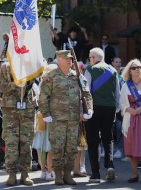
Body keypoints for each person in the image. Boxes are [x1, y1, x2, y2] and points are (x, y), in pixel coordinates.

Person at [39, 50, 93, 185]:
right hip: (57, 119)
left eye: (71, 58)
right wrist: (45, 113)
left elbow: (86, 94)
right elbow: (43, 96)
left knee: (71, 148)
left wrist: (89, 109)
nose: (70, 60)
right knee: (57, 147)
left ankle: (67, 174)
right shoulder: (51, 77)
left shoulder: (77, 76)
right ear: (59, 59)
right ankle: (57, 174)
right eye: (67, 58)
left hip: (74, 118)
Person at [0, 60, 38, 186]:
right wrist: (15, 84)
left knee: (26, 142)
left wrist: (27, 80)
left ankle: (25, 174)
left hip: (27, 109)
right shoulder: (5, 67)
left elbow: (38, 78)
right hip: (10, 111)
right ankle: (12, 174)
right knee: (11, 143)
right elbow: (0, 86)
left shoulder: (30, 65)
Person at [84, 47, 120, 183]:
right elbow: (117, 92)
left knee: (93, 141)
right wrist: (115, 109)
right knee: (108, 137)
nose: (89, 60)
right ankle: (110, 165)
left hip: (93, 108)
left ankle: (95, 173)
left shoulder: (90, 70)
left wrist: (84, 110)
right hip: (109, 107)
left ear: (93, 58)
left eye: (90, 57)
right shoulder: (113, 70)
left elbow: (85, 91)